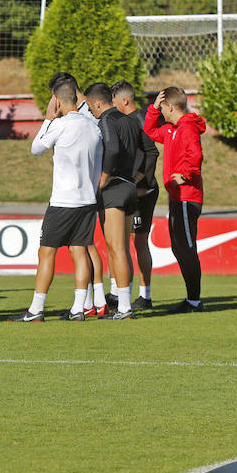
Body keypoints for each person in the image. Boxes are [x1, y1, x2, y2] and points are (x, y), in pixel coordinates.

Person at [9, 81, 102, 322]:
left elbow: (36, 148)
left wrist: (48, 118)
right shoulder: (94, 126)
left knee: (46, 252)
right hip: (88, 199)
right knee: (79, 251)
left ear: (57, 101)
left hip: (64, 201)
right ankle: (78, 308)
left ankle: (36, 309)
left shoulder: (60, 125)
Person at [46, 73, 107, 316]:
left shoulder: (86, 116)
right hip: (86, 189)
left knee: (87, 246)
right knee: (85, 246)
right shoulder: (82, 114)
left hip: (83, 190)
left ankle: (98, 299)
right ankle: (91, 302)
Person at [143, 86, 206, 313]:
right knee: (179, 248)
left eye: (162, 109)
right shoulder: (171, 130)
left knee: (186, 248)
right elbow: (148, 132)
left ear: (170, 106)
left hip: (187, 197)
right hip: (177, 198)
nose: (161, 113)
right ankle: (191, 300)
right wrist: (151, 109)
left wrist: (185, 175)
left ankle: (194, 301)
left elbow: (196, 155)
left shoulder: (187, 127)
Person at [85, 82, 145, 320]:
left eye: (91, 107)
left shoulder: (107, 121)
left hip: (114, 189)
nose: (91, 111)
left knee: (116, 248)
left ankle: (124, 308)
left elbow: (111, 149)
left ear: (98, 103)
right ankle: (124, 302)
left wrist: (104, 177)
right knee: (124, 250)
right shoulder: (130, 120)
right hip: (130, 186)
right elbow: (143, 152)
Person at [112, 80, 159, 310]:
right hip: (130, 188)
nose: (112, 106)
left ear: (124, 101)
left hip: (143, 191)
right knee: (120, 239)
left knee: (138, 241)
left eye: (114, 101)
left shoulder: (138, 122)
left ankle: (145, 296)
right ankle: (119, 292)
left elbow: (152, 152)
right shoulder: (127, 122)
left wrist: (141, 182)